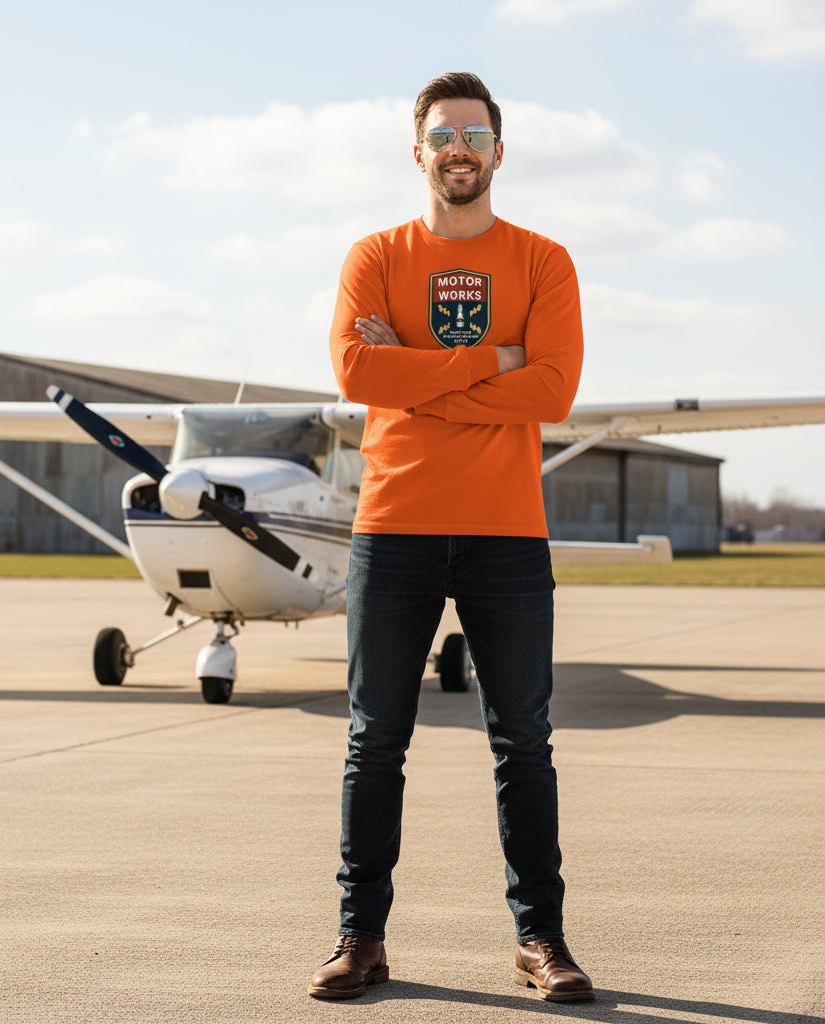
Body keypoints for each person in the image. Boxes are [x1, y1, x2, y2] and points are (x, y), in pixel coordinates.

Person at [308, 72, 593, 1004]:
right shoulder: (374, 255)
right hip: (392, 527)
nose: (458, 147)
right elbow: (356, 370)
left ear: (499, 152)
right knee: (373, 741)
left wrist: (417, 372)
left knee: (524, 743)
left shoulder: (544, 261)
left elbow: (551, 392)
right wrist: (488, 361)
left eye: (475, 132)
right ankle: (361, 937)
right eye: (442, 133)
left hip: (507, 531)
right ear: (418, 150)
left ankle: (540, 941)